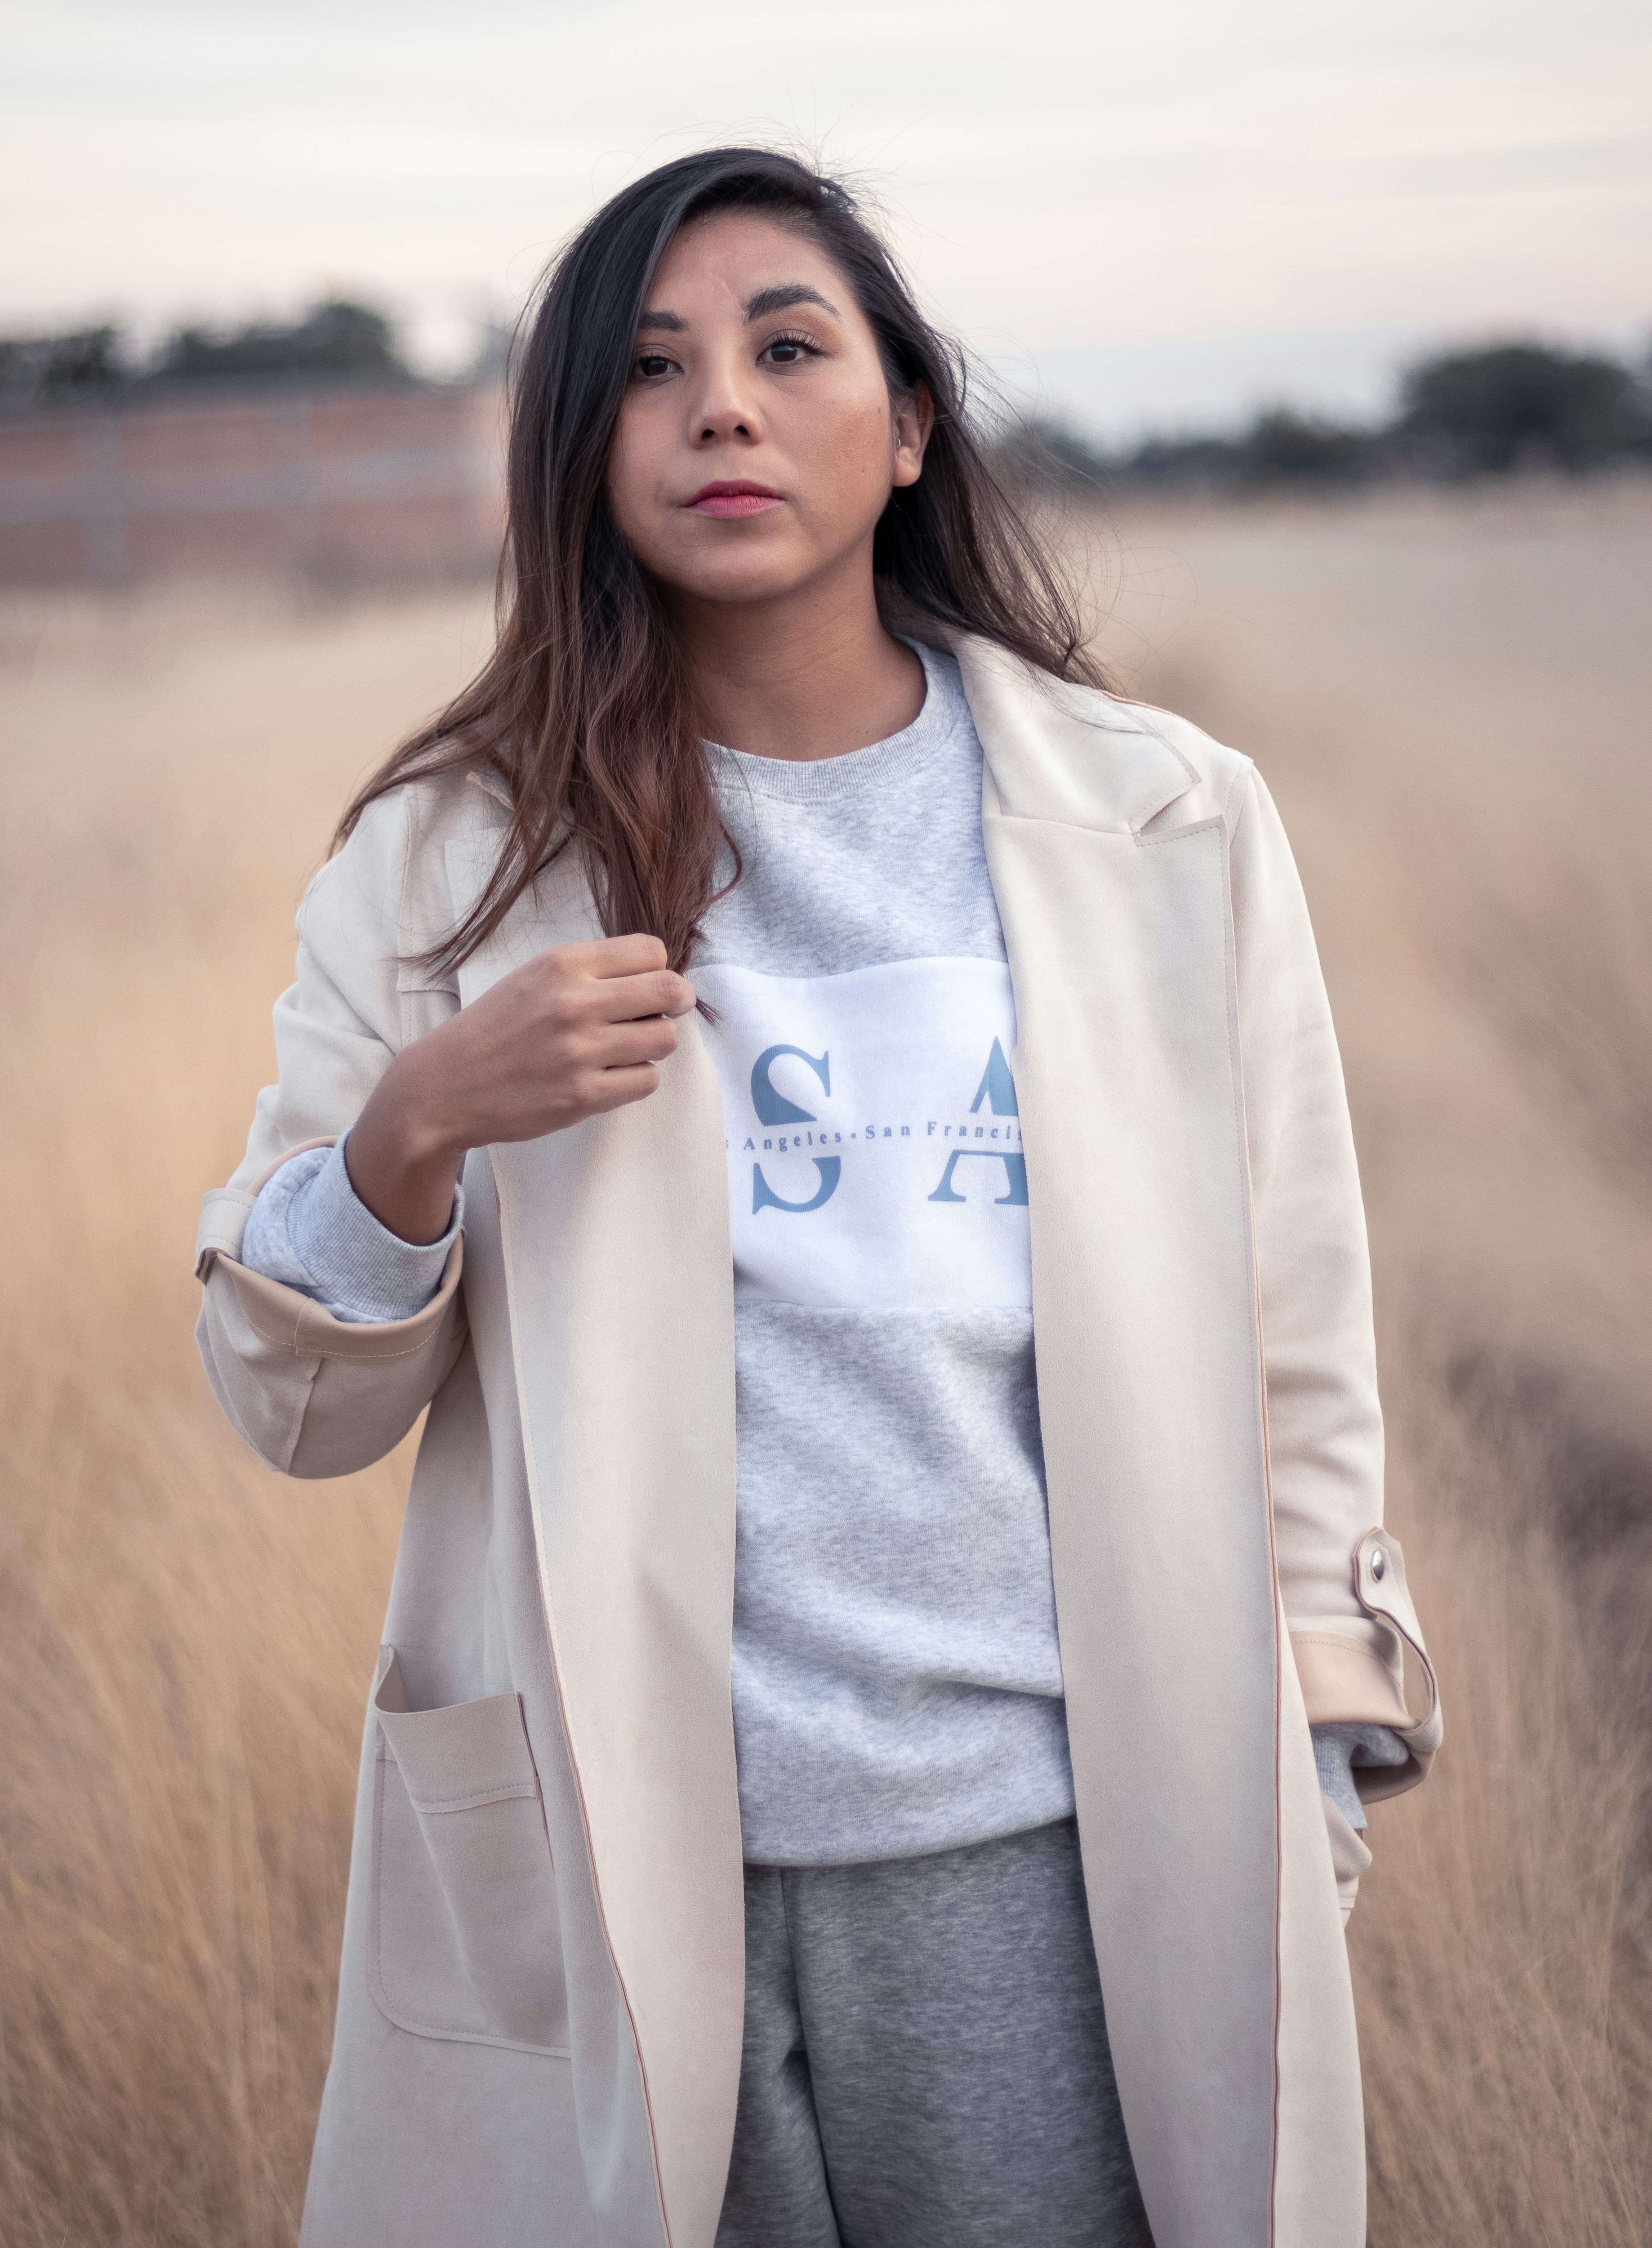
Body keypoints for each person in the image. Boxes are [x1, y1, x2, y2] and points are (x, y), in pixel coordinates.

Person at [194, 148, 1441, 2248]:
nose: (725, 410)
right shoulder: (447, 863)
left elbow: (1297, 1323)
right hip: (628, 1845)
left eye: (790, 348)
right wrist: (417, 1125)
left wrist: (1320, 1752)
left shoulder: (1165, 818)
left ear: (910, 420)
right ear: (583, 451)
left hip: (1042, 1841)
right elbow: (288, 1400)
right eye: (654, 369)